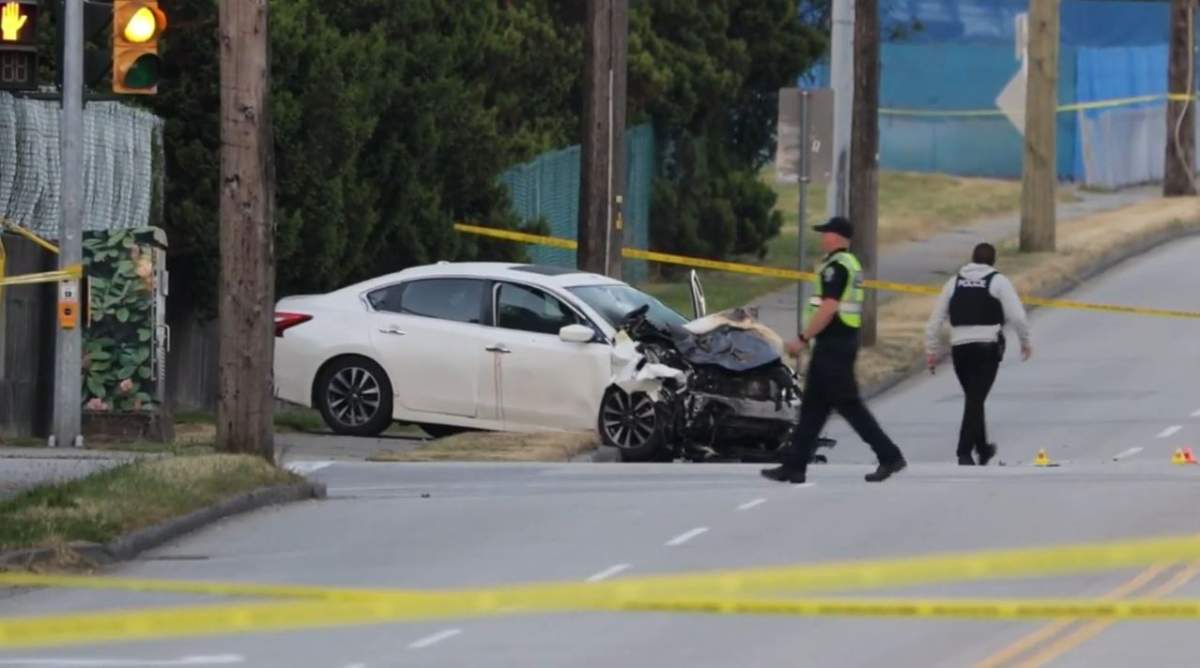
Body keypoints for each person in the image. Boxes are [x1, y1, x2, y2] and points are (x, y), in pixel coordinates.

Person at [762, 217, 907, 485]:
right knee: (813, 409)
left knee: (850, 406)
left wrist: (803, 338)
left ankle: (889, 456)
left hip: (834, 346)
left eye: (826, 233)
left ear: (838, 237)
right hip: (837, 344)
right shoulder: (845, 264)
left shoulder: (837, 267)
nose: (822, 238)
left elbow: (828, 308)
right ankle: (795, 466)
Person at [924, 242, 1032, 466]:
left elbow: (935, 320)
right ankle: (964, 452)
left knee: (974, 398)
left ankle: (982, 448)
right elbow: (1018, 316)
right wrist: (1025, 341)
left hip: (960, 348)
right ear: (993, 261)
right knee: (975, 398)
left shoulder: (954, 282)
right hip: (987, 347)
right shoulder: (998, 281)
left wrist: (931, 350)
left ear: (972, 259)